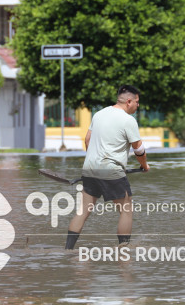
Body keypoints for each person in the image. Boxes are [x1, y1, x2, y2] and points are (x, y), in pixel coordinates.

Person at [64, 85, 150, 250]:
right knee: (126, 210)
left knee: (83, 212)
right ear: (129, 101)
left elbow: (87, 140)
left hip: (90, 169)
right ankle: (123, 251)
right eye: (137, 102)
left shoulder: (99, 114)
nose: (138, 106)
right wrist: (144, 165)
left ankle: (67, 250)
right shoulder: (128, 120)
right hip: (111, 171)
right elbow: (138, 149)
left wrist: (95, 161)